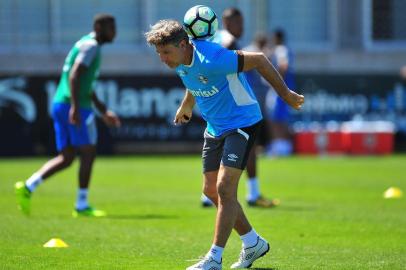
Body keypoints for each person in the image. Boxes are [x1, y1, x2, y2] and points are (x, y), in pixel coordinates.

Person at [145, 19, 304, 270]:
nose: (163, 58)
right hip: (215, 127)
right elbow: (194, 79)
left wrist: (286, 95)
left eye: (166, 52)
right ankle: (253, 243)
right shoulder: (180, 60)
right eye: (159, 53)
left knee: (224, 188)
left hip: (242, 121)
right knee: (210, 191)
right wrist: (187, 105)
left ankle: (214, 258)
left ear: (185, 44)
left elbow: (260, 59)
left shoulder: (215, 58)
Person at [14, 14, 121, 217]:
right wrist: (75, 107)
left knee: (67, 157)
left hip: (60, 103)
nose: (114, 32)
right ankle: (81, 205)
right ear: (98, 27)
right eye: (111, 27)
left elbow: (86, 85)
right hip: (75, 106)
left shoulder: (84, 43)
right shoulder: (91, 47)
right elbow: (75, 75)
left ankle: (28, 186)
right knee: (88, 152)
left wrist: (103, 110)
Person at [203, 7, 278, 208]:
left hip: (215, 103)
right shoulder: (229, 40)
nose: (241, 27)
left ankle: (208, 194)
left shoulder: (211, 39)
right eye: (238, 22)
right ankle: (253, 193)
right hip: (235, 106)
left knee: (218, 146)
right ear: (227, 23)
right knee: (249, 148)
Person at [266, 29, 296, 156]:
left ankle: (281, 146)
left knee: (277, 118)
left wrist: (277, 82)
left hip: (280, 89)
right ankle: (280, 145)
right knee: (277, 116)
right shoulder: (283, 49)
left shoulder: (281, 49)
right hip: (282, 88)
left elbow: (283, 65)